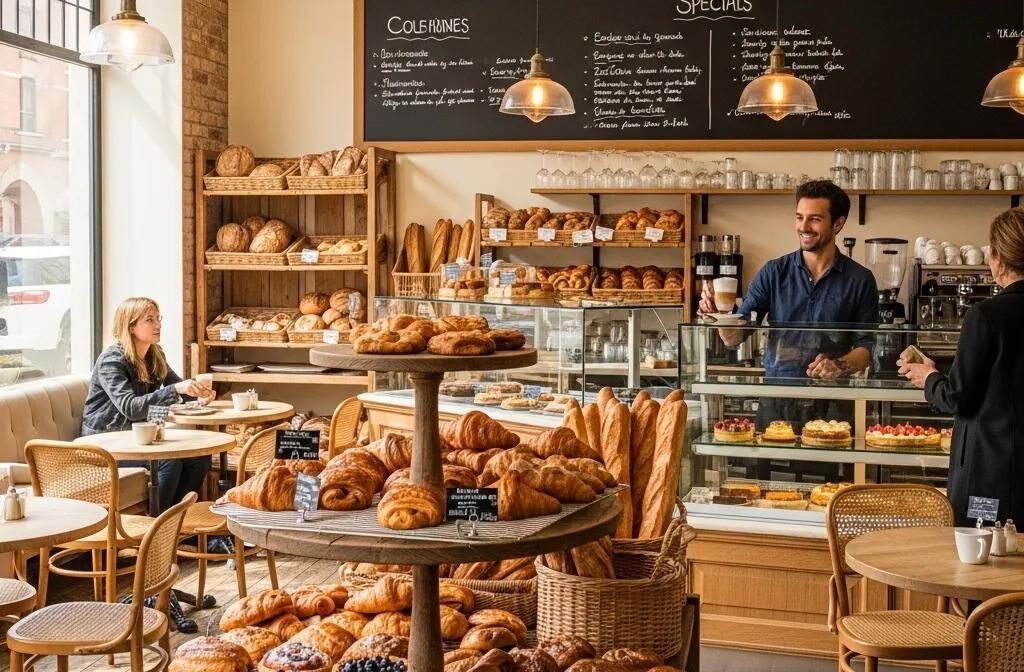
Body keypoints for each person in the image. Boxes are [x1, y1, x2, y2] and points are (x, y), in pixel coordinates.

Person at [699, 180, 880, 431]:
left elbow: (867, 348)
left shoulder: (860, 280)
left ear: (838, 223)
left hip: (832, 406)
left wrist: (837, 366)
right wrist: (718, 315)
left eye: (814, 219)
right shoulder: (773, 273)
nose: (803, 227)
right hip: (777, 400)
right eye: (799, 217)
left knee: (826, 469)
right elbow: (733, 337)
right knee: (768, 470)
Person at [899, 208, 1024, 526]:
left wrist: (928, 379)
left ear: (997, 257)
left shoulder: (985, 315)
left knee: (982, 567)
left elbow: (957, 398)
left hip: (991, 477)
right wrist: (939, 370)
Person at [82, 296, 216, 513]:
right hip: (107, 444)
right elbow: (131, 407)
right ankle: (154, 531)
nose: (158, 325)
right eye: (150, 320)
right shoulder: (112, 360)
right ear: (131, 326)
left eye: (158, 318)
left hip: (139, 439)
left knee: (199, 459)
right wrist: (176, 390)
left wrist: (199, 395)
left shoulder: (154, 354)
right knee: (168, 462)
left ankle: (176, 525)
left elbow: (177, 386)